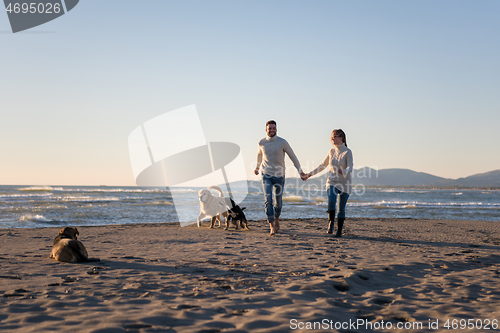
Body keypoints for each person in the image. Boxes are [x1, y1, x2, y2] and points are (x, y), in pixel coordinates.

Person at [255, 120, 306, 235]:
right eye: (270, 128)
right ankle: (272, 225)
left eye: (273, 128)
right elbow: (259, 155)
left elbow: (293, 157)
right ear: (266, 130)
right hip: (266, 174)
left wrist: (300, 171)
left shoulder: (282, 142)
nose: (272, 130)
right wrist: (257, 167)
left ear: (276, 129)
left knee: (278, 202)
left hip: (279, 176)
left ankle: (277, 219)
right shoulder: (261, 142)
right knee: (268, 200)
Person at [304, 129, 353, 237]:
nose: (332, 139)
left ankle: (339, 230)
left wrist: (343, 171)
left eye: (335, 136)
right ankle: (331, 222)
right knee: (331, 200)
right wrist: (309, 174)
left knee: (341, 209)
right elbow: (322, 165)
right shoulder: (331, 152)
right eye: (331, 137)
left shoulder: (347, 151)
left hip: (345, 183)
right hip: (332, 181)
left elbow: (350, 167)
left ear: (341, 138)